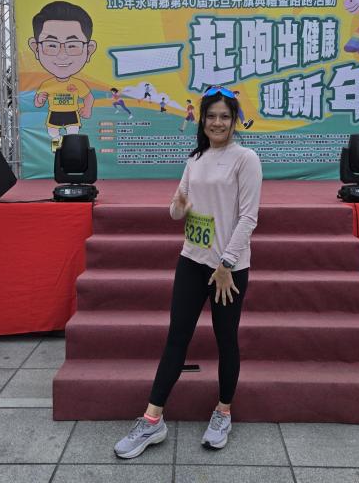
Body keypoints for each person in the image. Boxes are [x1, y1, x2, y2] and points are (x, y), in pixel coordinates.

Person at [114, 86, 263, 459]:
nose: (217, 123)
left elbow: (249, 217)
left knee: (226, 340)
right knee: (176, 338)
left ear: (233, 121)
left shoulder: (245, 159)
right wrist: (179, 205)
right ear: (202, 120)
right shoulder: (195, 158)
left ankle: (223, 412)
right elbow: (176, 211)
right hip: (192, 261)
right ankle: (152, 420)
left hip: (228, 269)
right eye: (211, 116)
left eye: (224, 116)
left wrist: (227, 264)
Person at [29, 1, 97, 152]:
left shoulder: (78, 83)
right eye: (51, 45)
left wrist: (87, 108)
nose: (62, 55)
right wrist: (40, 99)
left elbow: (89, 97)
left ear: (89, 50)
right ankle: (57, 151)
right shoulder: (46, 84)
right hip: (54, 114)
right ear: (36, 49)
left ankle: (73, 151)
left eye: (72, 45)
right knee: (53, 133)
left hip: (72, 113)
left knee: (73, 133)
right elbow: (38, 103)